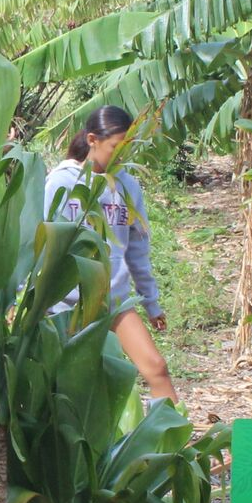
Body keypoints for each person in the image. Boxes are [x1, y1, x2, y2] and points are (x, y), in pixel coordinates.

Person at [42, 105, 179, 406]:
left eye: (127, 149)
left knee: (156, 368)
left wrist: (151, 302)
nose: (122, 156)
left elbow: (137, 249)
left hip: (113, 300)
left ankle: (173, 445)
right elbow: (44, 246)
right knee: (71, 388)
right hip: (68, 305)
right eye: (117, 148)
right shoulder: (62, 182)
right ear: (93, 139)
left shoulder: (128, 185)